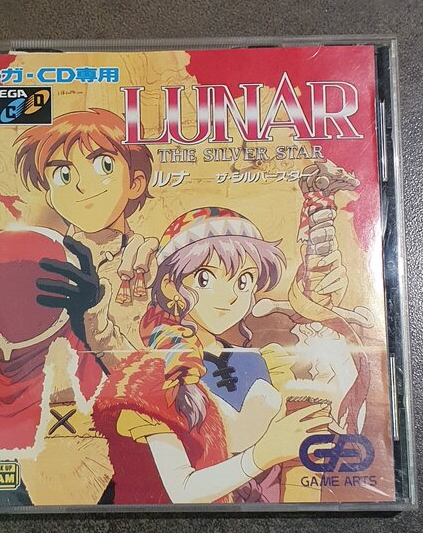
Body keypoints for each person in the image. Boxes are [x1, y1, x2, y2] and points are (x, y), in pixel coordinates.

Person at [0, 109, 158, 506]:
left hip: (122, 466)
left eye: (102, 166)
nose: (81, 186)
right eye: (63, 174)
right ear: (50, 189)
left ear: (135, 181)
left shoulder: (155, 265)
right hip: (24, 470)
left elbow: (158, 389)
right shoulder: (24, 266)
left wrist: (92, 319)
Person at [90, 207, 333, 504]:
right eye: (205, 279)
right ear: (170, 286)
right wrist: (262, 455)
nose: (230, 296)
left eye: (244, 281)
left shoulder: (264, 361)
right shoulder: (154, 375)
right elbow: (182, 491)